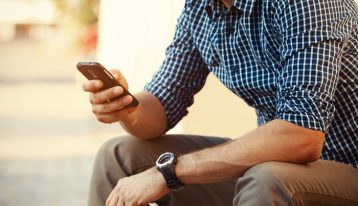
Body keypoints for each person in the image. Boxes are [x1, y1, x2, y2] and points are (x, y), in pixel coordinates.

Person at [83, 0, 358, 205]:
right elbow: (161, 105)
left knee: (266, 179)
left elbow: (302, 136)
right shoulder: (201, 8)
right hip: (279, 166)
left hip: (346, 171)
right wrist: (126, 108)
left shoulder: (308, 4)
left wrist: (168, 172)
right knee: (119, 155)